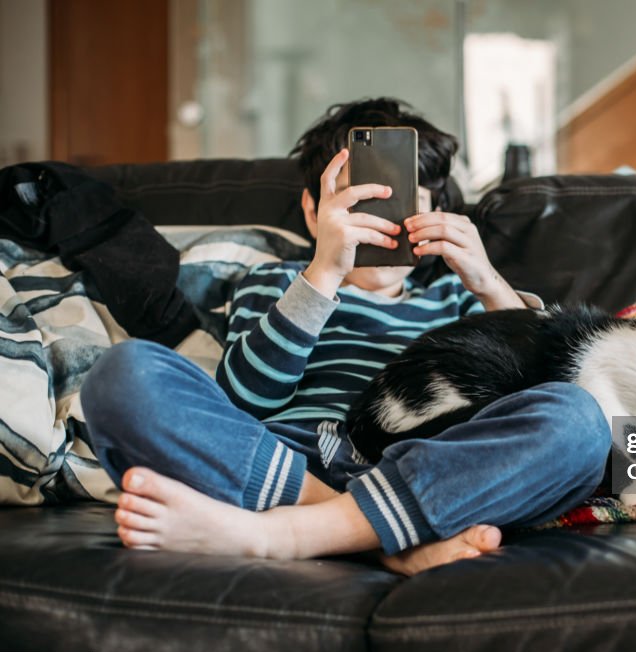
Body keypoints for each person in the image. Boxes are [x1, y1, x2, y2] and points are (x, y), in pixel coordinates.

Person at [81, 98, 609, 575]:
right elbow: (244, 401)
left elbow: (538, 387)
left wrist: (490, 285)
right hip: (286, 460)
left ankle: (290, 533)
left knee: (580, 420)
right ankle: (378, 537)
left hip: (431, 463)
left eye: (402, 204)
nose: (380, 224)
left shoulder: (458, 299)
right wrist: (324, 273)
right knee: (122, 376)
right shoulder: (276, 283)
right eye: (359, 203)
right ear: (314, 213)